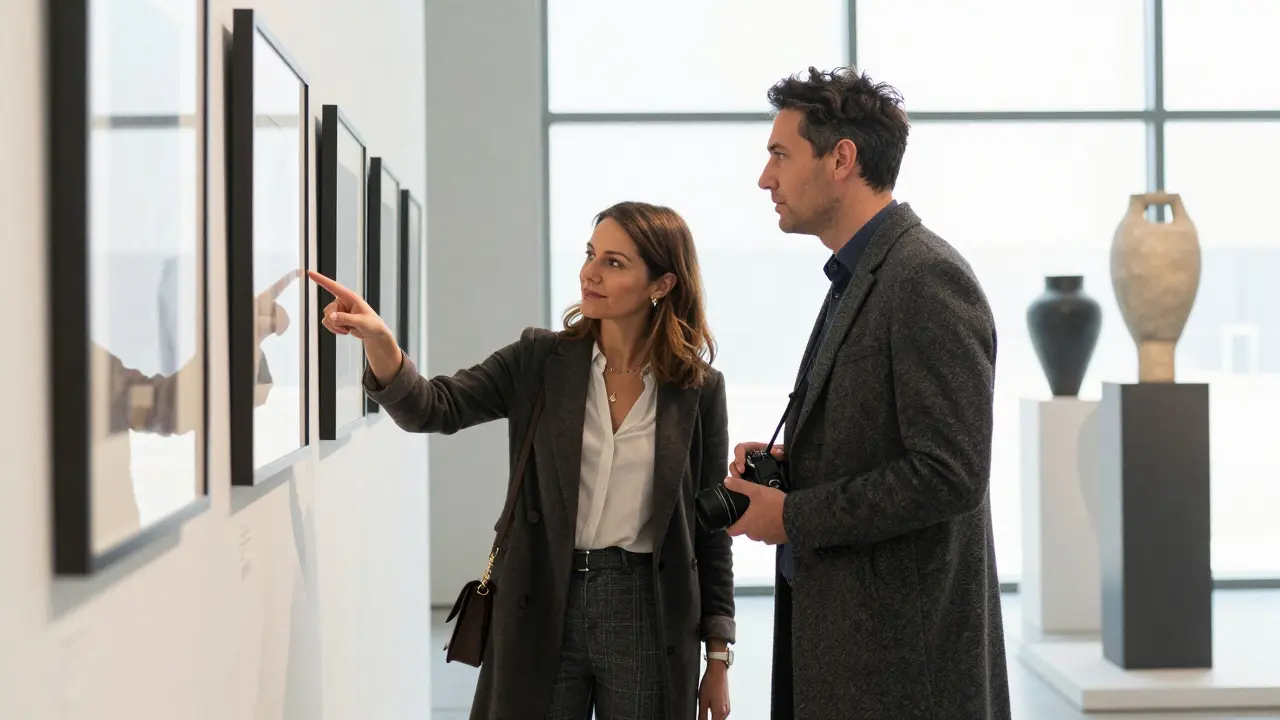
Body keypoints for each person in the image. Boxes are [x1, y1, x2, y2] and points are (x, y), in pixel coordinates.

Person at [309, 201, 736, 720]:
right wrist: (380, 341)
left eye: (614, 262)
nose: (590, 273)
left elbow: (711, 530)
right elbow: (433, 407)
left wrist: (717, 654)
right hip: (542, 594)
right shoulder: (539, 360)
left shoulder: (697, 388)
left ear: (662, 285)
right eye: (589, 254)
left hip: (646, 607)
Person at [720, 67, 1011, 719]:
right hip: (857, 654)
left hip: (903, 672)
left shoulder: (924, 279)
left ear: (841, 159)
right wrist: (803, 469)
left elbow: (950, 474)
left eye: (779, 154)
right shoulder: (865, 276)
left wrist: (791, 516)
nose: (765, 178)